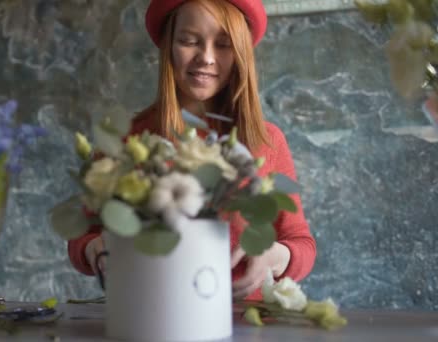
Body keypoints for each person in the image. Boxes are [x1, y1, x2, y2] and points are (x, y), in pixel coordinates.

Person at [68, 0, 316, 300]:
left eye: (223, 45)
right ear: (168, 46)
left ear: (240, 54)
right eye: (189, 41)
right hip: (151, 319)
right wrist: (95, 249)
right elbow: (83, 235)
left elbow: (300, 242)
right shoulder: (124, 139)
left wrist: (278, 256)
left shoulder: (267, 141)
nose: (206, 58)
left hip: (249, 323)